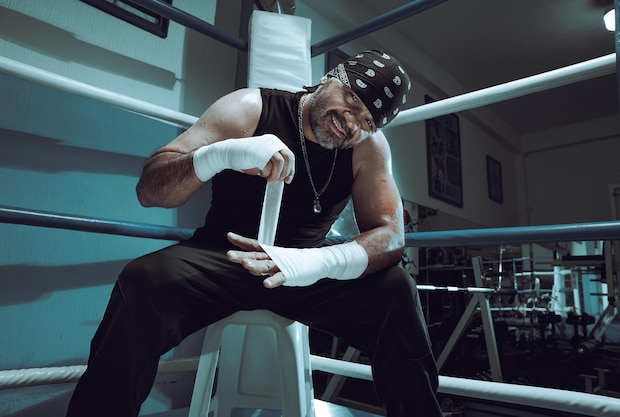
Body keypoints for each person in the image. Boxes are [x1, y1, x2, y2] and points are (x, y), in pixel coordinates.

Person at [65, 50, 443, 417]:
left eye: (367, 121)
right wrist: (221, 155)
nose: (352, 123)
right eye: (351, 99)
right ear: (330, 77)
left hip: (304, 268)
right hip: (221, 257)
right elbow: (150, 192)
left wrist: (319, 261)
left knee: (395, 288)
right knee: (143, 280)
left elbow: (391, 236)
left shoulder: (367, 148)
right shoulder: (250, 108)